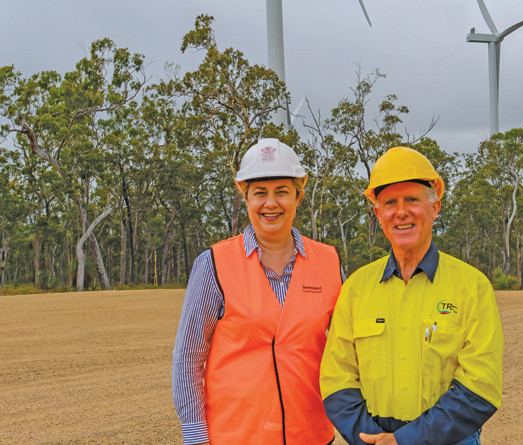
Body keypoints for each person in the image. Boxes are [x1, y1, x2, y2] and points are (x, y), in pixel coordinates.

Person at [320, 146, 503, 445]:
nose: (401, 211)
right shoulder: (356, 288)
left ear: (435, 208)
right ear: (378, 213)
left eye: (412, 200)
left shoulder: (472, 287)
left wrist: (407, 440)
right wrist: (375, 439)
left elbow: (481, 387)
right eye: (390, 202)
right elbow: (336, 378)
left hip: (450, 439)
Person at [172, 138, 343, 445]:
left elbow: (348, 351)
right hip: (236, 436)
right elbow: (188, 357)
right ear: (245, 197)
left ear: (299, 196)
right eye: (260, 193)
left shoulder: (329, 262)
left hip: (312, 436)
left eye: (282, 192)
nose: (271, 203)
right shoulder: (214, 264)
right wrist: (195, 436)